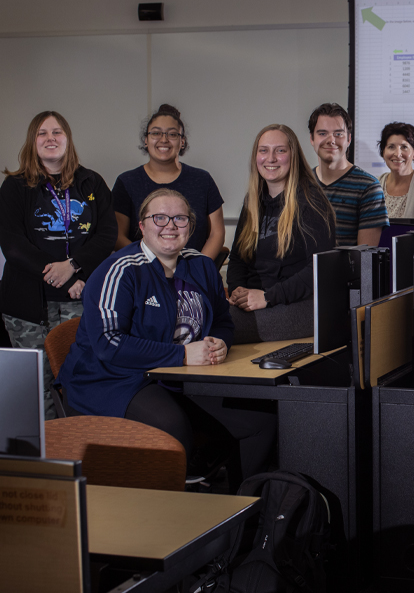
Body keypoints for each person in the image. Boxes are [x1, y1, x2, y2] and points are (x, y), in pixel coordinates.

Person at [59, 188, 275, 481]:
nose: (170, 226)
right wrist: (183, 354)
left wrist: (220, 341)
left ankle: (243, 514)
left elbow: (223, 320)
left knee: (260, 420)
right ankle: (175, 514)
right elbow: (107, 344)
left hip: (178, 375)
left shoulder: (201, 265)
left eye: (180, 219)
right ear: (142, 225)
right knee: (172, 427)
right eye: (159, 218)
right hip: (112, 378)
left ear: (191, 226)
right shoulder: (118, 271)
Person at [0, 111, 117, 419]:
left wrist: (75, 265)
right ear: (32, 141)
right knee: (36, 389)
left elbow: (107, 236)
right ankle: (45, 460)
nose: (50, 138)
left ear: (68, 139)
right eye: (42, 133)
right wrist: (65, 277)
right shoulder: (14, 187)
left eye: (57, 132)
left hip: (79, 300)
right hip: (27, 306)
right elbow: (13, 247)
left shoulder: (91, 182)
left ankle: (78, 451)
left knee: (80, 381)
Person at [226, 124, 336, 343]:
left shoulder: (312, 203)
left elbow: (318, 269)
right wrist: (238, 289)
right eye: (264, 150)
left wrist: (267, 297)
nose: (271, 158)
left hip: (297, 305)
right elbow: (238, 257)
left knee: (214, 324)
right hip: (258, 300)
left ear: (293, 156)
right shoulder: (253, 201)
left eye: (280, 150)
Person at [112, 104, 225, 260]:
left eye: (172, 134)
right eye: (156, 133)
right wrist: (149, 265)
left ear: (182, 141)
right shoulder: (126, 182)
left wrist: (199, 269)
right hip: (143, 273)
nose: (164, 139)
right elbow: (118, 236)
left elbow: (217, 233)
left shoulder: (203, 180)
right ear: (146, 140)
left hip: (192, 274)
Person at [307, 103, 389, 246]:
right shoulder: (300, 182)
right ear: (312, 139)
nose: (331, 140)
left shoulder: (368, 187)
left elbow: (365, 259)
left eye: (338, 134)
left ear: (349, 139)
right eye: (322, 133)